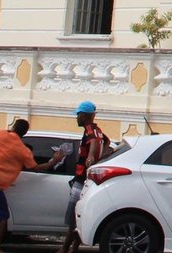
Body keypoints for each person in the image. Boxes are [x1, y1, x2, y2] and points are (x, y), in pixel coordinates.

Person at [0, 118, 50, 253]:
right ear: (25, 133)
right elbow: (36, 167)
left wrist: (9, 131)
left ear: (13, 127)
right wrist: (55, 160)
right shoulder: (23, 150)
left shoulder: (2, 135)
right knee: (2, 218)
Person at [57, 100, 110, 253]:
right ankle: (73, 248)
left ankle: (65, 248)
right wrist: (102, 154)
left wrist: (92, 157)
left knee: (73, 218)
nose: (76, 118)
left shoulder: (90, 130)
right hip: (85, 179)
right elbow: (105, 141)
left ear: (84, 116)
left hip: (82, 180)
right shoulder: (97, 130)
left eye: (78, 115)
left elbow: (94, 142)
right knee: (77, 217)